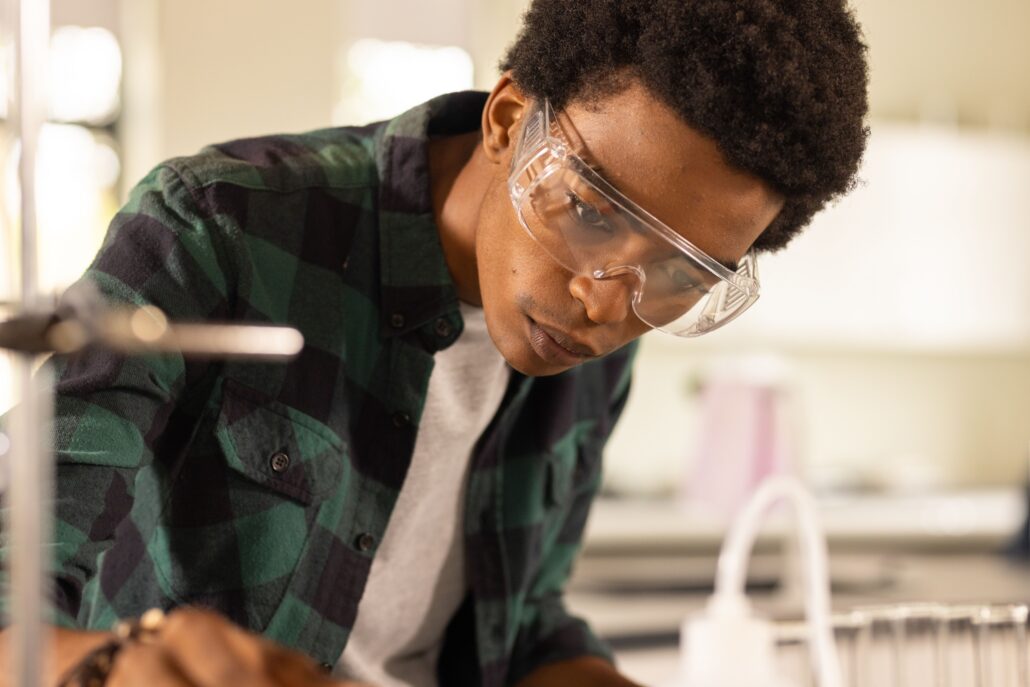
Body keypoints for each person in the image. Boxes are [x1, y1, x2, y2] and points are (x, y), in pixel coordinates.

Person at [0, 0, 869, 685]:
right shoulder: (222, 225)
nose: (606, 301)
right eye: (594, 212)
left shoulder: (597, 328)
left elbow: (520, 629)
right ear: (506, 121)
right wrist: (106, 666)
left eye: (679, 274)